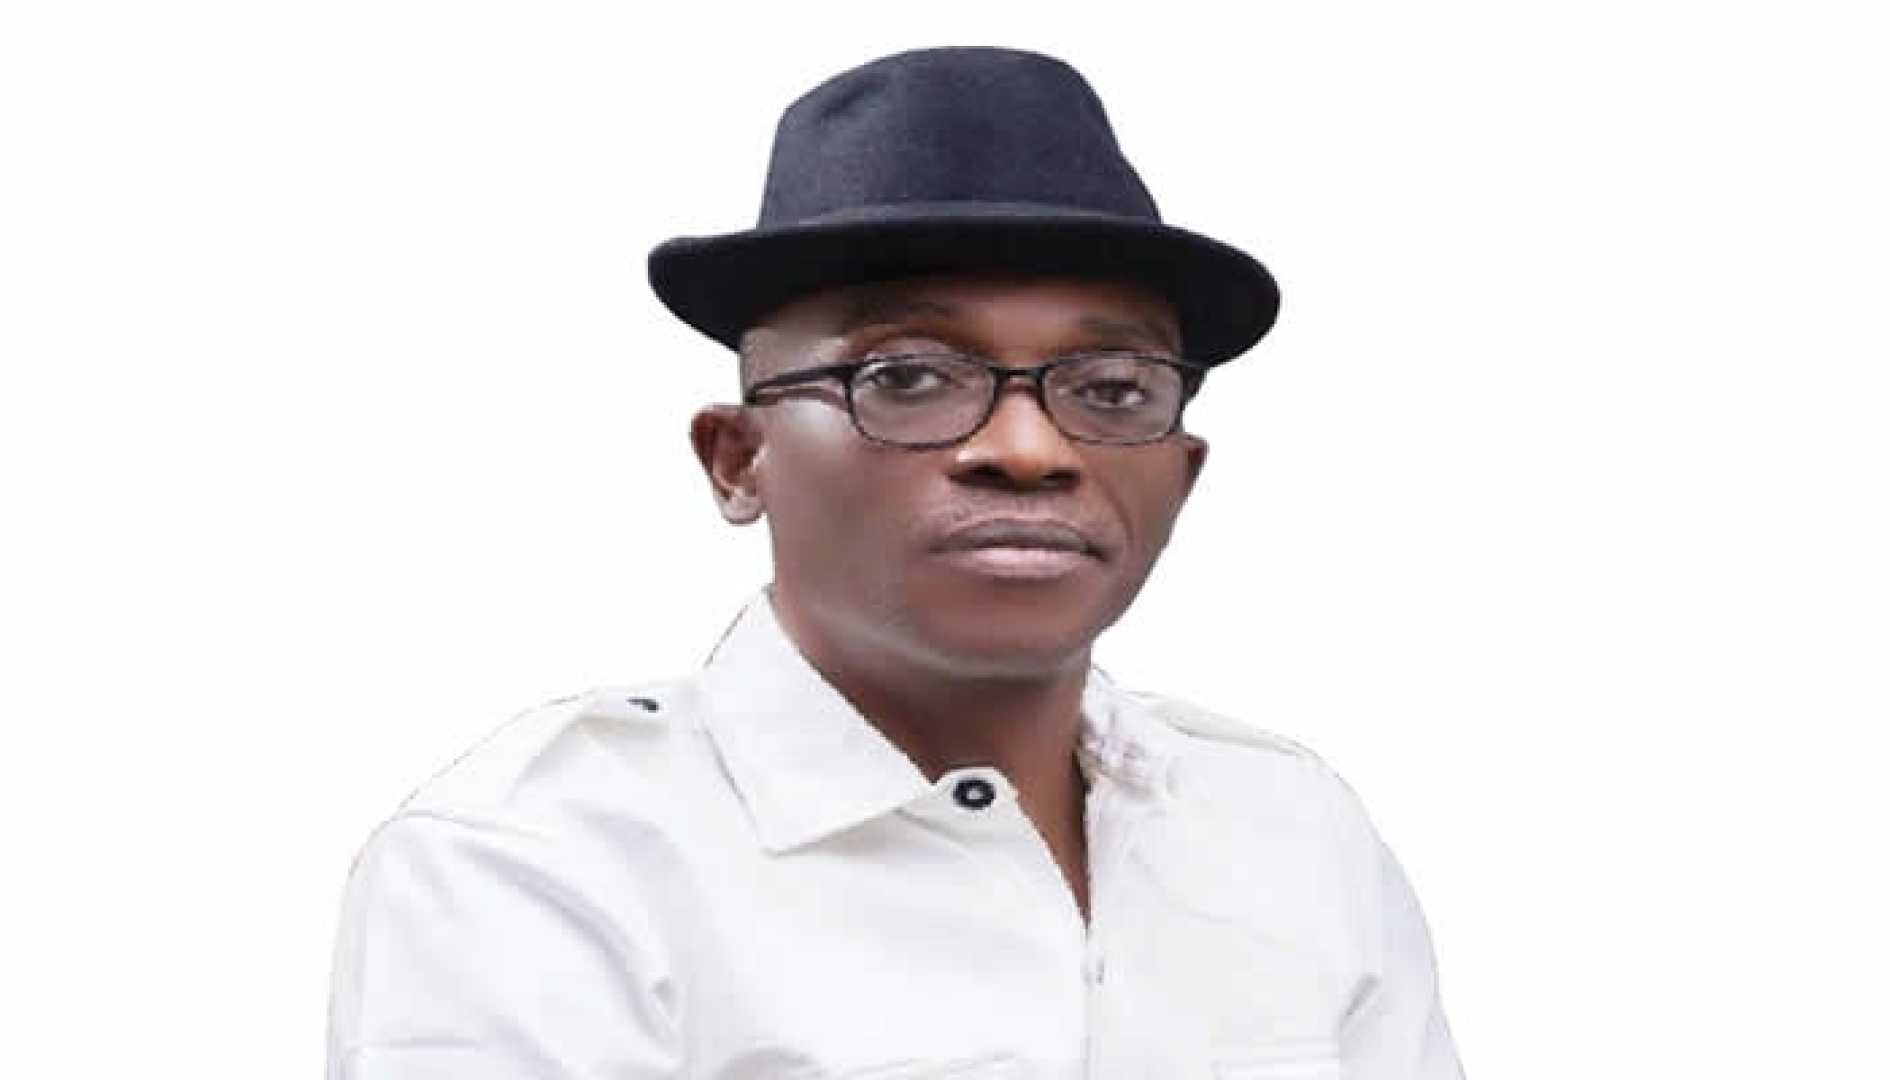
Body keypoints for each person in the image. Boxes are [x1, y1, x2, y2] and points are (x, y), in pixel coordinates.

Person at [326, 46, 1465, 1079]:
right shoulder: (534, 869)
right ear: (739, 460)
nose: (1029, 449)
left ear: (1185, 472)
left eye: (1113, 390)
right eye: (907, 377)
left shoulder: (1290, 834)